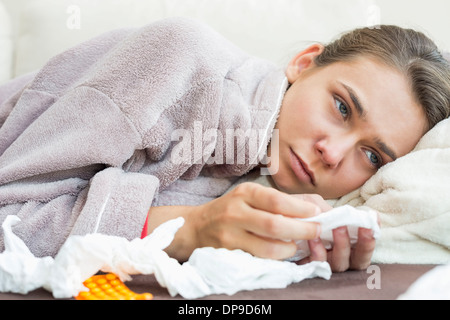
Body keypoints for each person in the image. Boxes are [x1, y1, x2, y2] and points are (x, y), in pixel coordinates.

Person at [0, 18, 449, 273]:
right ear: (304, 63)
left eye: (372, 156)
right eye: (342, 108)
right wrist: (187, 230)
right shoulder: (180, 61)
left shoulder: (304, 200)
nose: (332, 152)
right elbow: (9, 217)